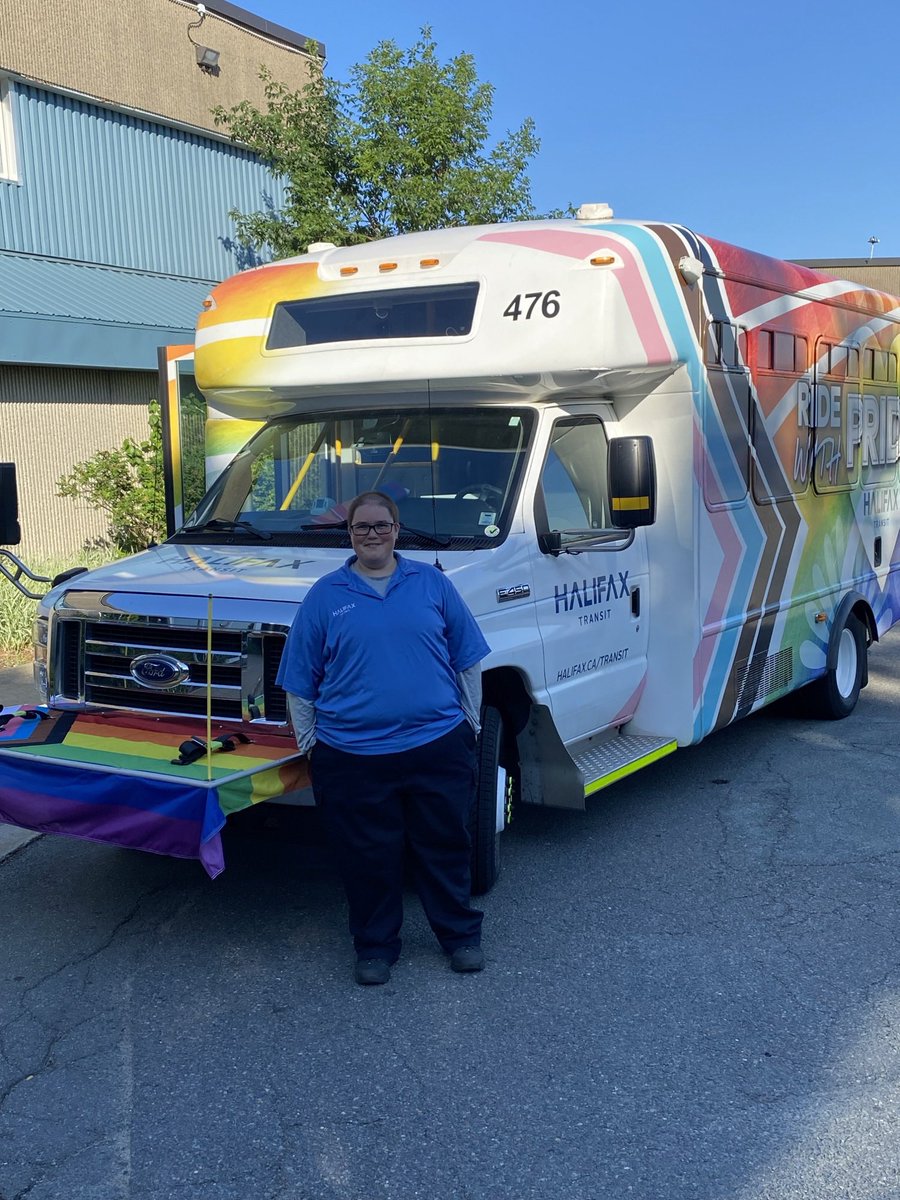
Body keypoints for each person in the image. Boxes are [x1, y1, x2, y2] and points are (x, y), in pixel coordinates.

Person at [276, 489, 491, 985]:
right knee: (366, 855)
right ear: (349, 535)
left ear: (396, 530)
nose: (371, 534)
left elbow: (468, 658)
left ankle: (460, 937)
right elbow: (299, 681)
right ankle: (375, 947)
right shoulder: (326, 596)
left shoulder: (432, 583)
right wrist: (312, 743)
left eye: (381, 525)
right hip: (352, 755)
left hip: (436, 742)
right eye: (361, 527)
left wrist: (470, 724)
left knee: (445, 845)